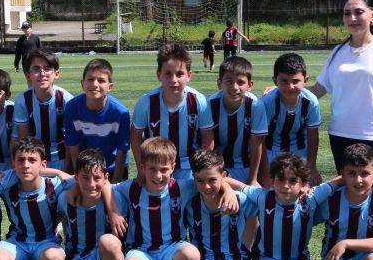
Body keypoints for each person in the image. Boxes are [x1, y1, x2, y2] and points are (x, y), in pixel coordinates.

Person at [115, 137, 237, 260]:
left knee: (192, 256)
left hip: (172, 248)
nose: (158, 176)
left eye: (164, 169)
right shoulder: (131, 187)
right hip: (142, 250)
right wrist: (113, 212)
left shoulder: (180, 187)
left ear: (173, 167)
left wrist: (228, 190)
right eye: (152, 169)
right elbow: (105, 187)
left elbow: (213, 179)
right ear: (142, 167)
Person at [312, 0, 373, 176]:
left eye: (358, 12)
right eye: (347, 13)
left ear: (372, 15)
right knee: (345, 188)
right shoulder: (338, 52)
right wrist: (285, 90)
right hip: (339, 134)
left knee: (372, 189)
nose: (352, 18)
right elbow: (318, 89)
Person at [0, 137, 73, 260]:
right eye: (20, 160)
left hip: (46, 242)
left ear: (43, 164)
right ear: (13, 164)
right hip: (17, 242)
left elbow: (83, 182)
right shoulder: (7, 186)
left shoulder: (55, 184)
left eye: (32, 160)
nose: (26, 165)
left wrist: (59, 173)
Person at [185, 149, 264, 260]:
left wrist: (248, 247)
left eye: (212, 180)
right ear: (194, 178)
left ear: (223, 176)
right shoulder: (189, 200)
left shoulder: (239, 199)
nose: (206, 186)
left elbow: (263, 205)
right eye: (200, 180)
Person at [57, 149, 133, 260]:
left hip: (106, 256)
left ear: (106, 178)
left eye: (97, 178)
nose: (91, 184)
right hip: (80, 258)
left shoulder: (116, 198)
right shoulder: (65, 199)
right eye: (85, 178)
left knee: (108, 241)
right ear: (76, 177)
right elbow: (59, 218)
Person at [131, 43, 213, 181]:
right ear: (159, 75)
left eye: (179, 74)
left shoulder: (199, 101)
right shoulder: (146, 102)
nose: (173, 80)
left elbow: (207, 137)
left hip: (189, 165)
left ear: (189, 75)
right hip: (156, 165)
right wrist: (142, 169)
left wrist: (202, 170)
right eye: (168, 74)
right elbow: (135, 136)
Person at [201, 56, 268, 186]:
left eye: (240, 82)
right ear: (219, 83)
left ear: (250, 85)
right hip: (218, 165)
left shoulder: (255, 106)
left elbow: (257, 145)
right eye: (229, 81)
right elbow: (208, 143)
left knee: (251, 194)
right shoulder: (210, 105)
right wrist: (209, 172)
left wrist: (253, 179)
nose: (234, 87)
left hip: (245, 164)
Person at [64, 58, 131, 182]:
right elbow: (73, 145)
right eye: (90, 79)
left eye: (101, 80)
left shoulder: (121, 112)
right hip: (85, 168)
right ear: (82, 84)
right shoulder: (71, 108)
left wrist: (115, 181)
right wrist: (79, 176)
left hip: (112, 167)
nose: (95, 84)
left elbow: (122, 150)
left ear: (110, 86)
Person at [262, 53, 322, 186]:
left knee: (305, 189)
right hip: (272, 150)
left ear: (305, 80)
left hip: (300, 150)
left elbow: (313, 135)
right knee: (272, 188)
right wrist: (265, 173)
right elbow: (260, 139)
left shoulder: (311, 102)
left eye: (295, 81)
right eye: (284, 81)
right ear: (275, 81)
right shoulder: (267, 102)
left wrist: (312, 167)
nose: (290, 86)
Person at [13, 49, 74, 171]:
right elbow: (23, 139)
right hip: (34, 160)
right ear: (28, 75)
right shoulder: (22, 100)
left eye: (47, 68)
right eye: (36, 69)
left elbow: (71, 138)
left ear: (56, 73)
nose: (42, 73)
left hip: (62, 159)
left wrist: (67, 169)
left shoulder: (66, 99)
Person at [14, 20, 42, 86]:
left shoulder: (36, 38)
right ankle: (31, 91)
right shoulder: (20, 40)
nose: (26, 29)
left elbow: (40, 51)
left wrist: (41, 62)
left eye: (27, 28)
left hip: (35, 63)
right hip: (25, 64)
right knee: (29, 80)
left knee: (36, 80)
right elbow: (18, 53)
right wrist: (16, 64)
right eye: (24, 28)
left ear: (31, 28)